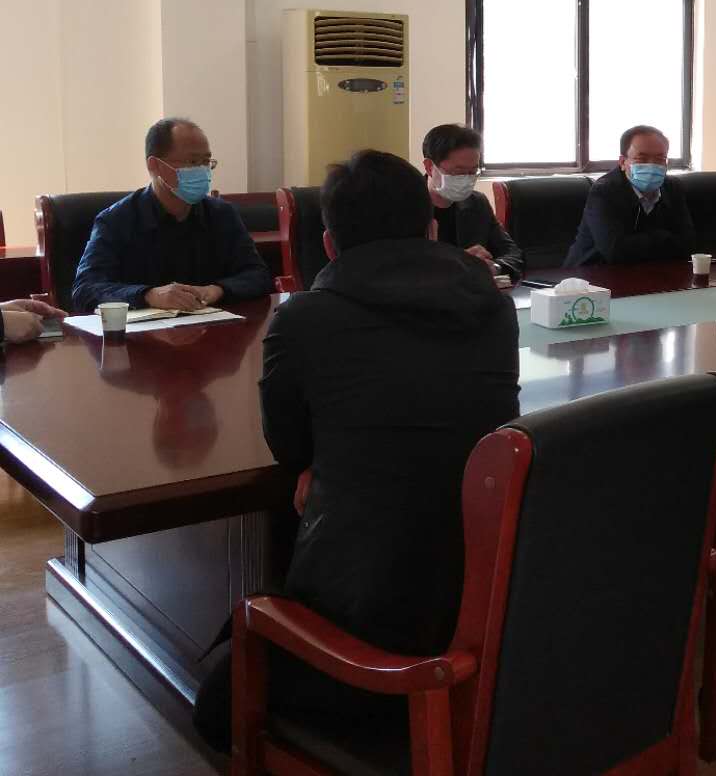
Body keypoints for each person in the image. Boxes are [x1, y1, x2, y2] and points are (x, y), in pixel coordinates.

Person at [192, 149, 520, 752]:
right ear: (431, 229)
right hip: (487, 596)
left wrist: (324, 460)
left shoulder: (306, 320)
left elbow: (288, 445)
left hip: (371, 626)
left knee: (215, 710)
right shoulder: (493, 307)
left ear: (329, 243)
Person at [70, 118, 271, 314]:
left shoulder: (222, 215)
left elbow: (259, 275)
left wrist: (217, 290)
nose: (202, 171)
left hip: (212, 328)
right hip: (146, 334)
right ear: (155, 165)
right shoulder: (116, 221)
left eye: (206, 162)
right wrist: (149, 295)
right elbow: (85, 290)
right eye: (193, 162)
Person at [564, 125, 695, 266]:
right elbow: (615, 251)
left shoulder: (673, 187)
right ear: (622, 162)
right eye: (642, 159)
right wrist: (663, 237)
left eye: (660, 159)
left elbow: (688, 244)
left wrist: (636, 242)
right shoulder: (604, 191)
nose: (652, 165)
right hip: (592, 273)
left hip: (652, 272)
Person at [421, 123, 523, 279]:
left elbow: (513, 254)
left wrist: (494, 267)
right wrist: (457, 263)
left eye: (472, 172)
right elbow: (399, 267)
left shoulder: (477, 203)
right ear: (429, 167)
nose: (466, 179)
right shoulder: (405, 206)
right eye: (459, 172)